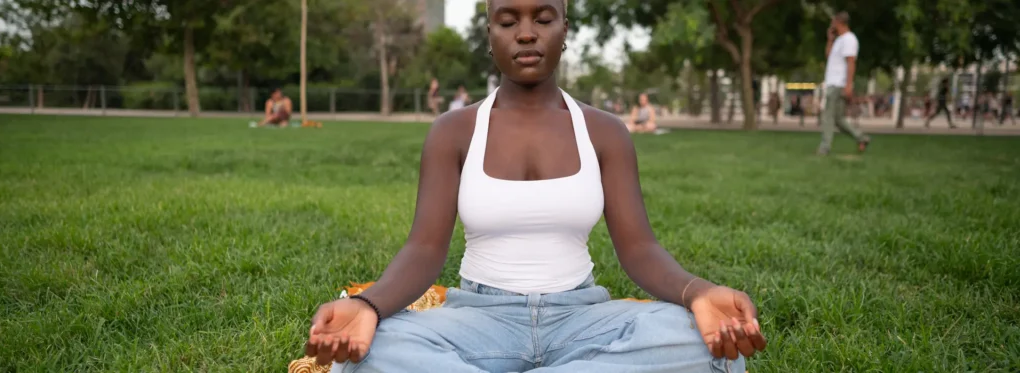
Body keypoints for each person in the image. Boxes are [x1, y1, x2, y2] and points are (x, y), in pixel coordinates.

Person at [304, 0, 766, 372]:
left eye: (543, 18)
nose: (526, 33)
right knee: (374, 348)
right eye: (508, 21)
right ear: (490, 35)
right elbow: (425, 250)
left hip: (582, 316)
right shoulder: (453, 130)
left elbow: (639, 249)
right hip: (478, 319)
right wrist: (367, 305)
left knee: (705, 341)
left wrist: (700, 293)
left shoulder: (604, 131)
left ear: (565, 28)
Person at [817, 11, 870, 155]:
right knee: (838, 119)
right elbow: (828, 56)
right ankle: (861, 138)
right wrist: (830, 40)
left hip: (838, 84)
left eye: (833, 21)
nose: (831, 24)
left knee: (827, 116)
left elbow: (851, 62)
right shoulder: (839, 40)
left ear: (839, 22)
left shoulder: (849, 39)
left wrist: (848, 85)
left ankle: (824, 147)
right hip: (832, 82)